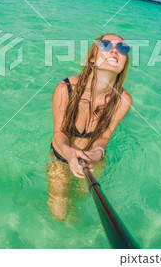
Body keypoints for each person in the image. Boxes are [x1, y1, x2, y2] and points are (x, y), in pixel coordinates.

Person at [47, 33, 132, 220]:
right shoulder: (65, 89)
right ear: (92, 58)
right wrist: (69, 152)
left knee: (81, 199)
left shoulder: (123, 100)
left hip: (94, 160)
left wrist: (96, 154)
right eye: (106, 44)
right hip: (61, 155)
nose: (115, 50)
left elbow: (105, 137)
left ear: (124, 64)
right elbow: (59, 132)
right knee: (59, 213)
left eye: (123, 48)